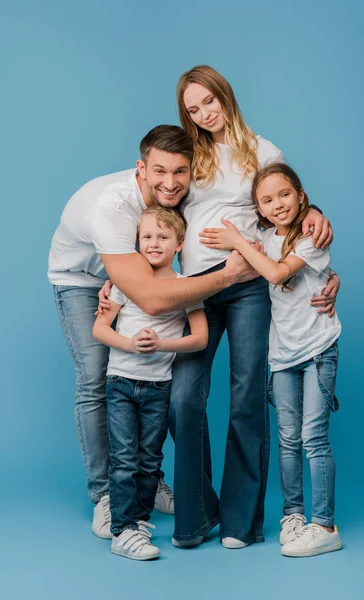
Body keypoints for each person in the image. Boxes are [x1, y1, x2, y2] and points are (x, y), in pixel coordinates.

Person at [48, 125, 255, 538]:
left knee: (149, 377)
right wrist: (229, 276)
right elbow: (155, 300)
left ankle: (146, 482)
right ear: (140, 169)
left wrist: (311, 218)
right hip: (82, 280)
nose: (171, 182)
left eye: (180, 172)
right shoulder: (112, 208)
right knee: (97, 377)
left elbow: (256, 195)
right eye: (159, 171)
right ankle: (107, 495)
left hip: (137, 277)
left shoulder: (178, 190)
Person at [169, 65, 339, 549]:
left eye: (209, 101)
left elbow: (286, 202)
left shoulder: (265, 151)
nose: (204, 114)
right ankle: (198, 514)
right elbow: (161, 207)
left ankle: (241, 522)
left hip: (249, 286)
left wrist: (317, 212)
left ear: (225, 95)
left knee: (246, 398)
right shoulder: (187, 154)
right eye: (193, 108)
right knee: (183, 398)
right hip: (197, 285)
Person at [199, 162, 342, 557]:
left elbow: (278, 274)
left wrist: (237, 242)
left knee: (313, 438)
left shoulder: (312, 237)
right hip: (281, 356)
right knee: (287, 440)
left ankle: (324, 524)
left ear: (301, 196)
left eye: (284, 194)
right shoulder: (263, 234)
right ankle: (293, 516)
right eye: (267, 200)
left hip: (316, 351)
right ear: (259, 210)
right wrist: (239, 239)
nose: (277, 204)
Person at [93, 207, 208, 560]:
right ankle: (122, 530)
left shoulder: (186, 287)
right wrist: (130, 344)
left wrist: (162, 345)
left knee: (149, 460)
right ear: (137, 241)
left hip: (159, 386)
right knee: (125, 459)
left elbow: (201, 338)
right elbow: (99, 329)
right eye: (147, 236)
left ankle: (137, 522)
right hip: (121, 383)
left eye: (163, 237)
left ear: (179, 244)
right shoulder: (125, 283)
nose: (154, 243)